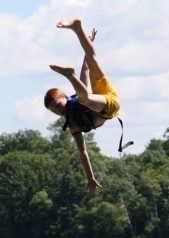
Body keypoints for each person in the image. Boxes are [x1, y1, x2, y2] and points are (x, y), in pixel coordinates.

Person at [45, 18, 123, 194]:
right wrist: (90, 178)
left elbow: (86, 68)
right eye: (54, 111)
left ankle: (77, 29)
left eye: (57, 105)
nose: (58, 111)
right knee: (88, 76)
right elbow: (83, 153)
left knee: (91, 62)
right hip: (104, 98)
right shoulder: (72, 125)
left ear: (65, 96)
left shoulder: (77, 100)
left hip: (110, 104)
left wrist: (88, 42)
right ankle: (77, 30)